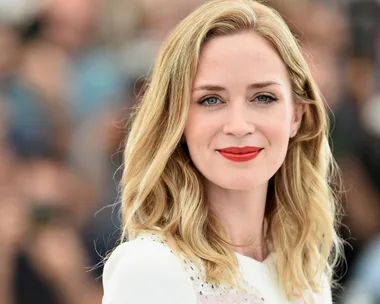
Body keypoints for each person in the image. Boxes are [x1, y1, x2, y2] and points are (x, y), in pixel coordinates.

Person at [102, 0, 343, 303]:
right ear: (177, 118)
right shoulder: (151, 267)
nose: (239, 126)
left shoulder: (306, 274)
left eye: (263, 97)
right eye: (211, 100)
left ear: (296, 115)